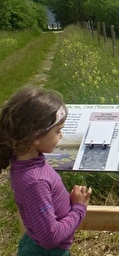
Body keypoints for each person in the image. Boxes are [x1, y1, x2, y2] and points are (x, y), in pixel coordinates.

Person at [0, 86, 92, 256]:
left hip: (36, 243)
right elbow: (51, 237)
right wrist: (79, 208)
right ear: (36, 136)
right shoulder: (36, 182)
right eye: (58, 131)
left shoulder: (22, 161)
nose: (61, 136)